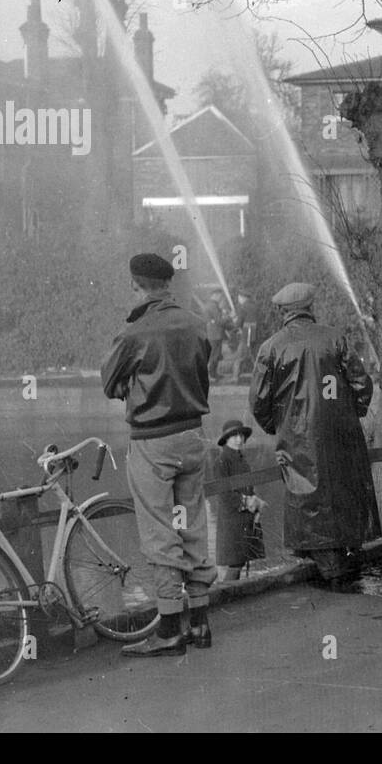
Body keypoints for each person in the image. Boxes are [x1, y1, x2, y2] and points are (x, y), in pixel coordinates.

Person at [101, 253, 215, 656]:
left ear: (136, 285)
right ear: (167, 284)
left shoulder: (136, 333)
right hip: (192, 436)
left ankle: (169, 629)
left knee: (158, 532)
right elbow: (204, 377)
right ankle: (200, 623)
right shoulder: (196, 324)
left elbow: (110, 383)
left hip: (152, 439)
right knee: (194, 524)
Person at [249, 282, 381, 584]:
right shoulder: (335, 338)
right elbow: (362, 385)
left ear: (283, 312)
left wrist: (279, 426)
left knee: (306, 492)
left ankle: (326, 564)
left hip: (296, 434)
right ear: (311, 308)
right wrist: (350, 414)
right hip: (341, 429)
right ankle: (345, 558)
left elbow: (259, 402)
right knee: (344, 486)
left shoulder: (270, 347)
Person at [213, 419, 264, 581]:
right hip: (232, 518)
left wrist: (255, 499)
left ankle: (232, 592)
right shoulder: (221, 461)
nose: (239, 439)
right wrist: (247, 502)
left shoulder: (241, 459)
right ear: (226, 439)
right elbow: (224, 494)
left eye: (241, 435)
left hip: (244, 517)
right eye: (234, 436)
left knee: (241, 560)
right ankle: (226, 594)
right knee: (235, 562)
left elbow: (248, 486)